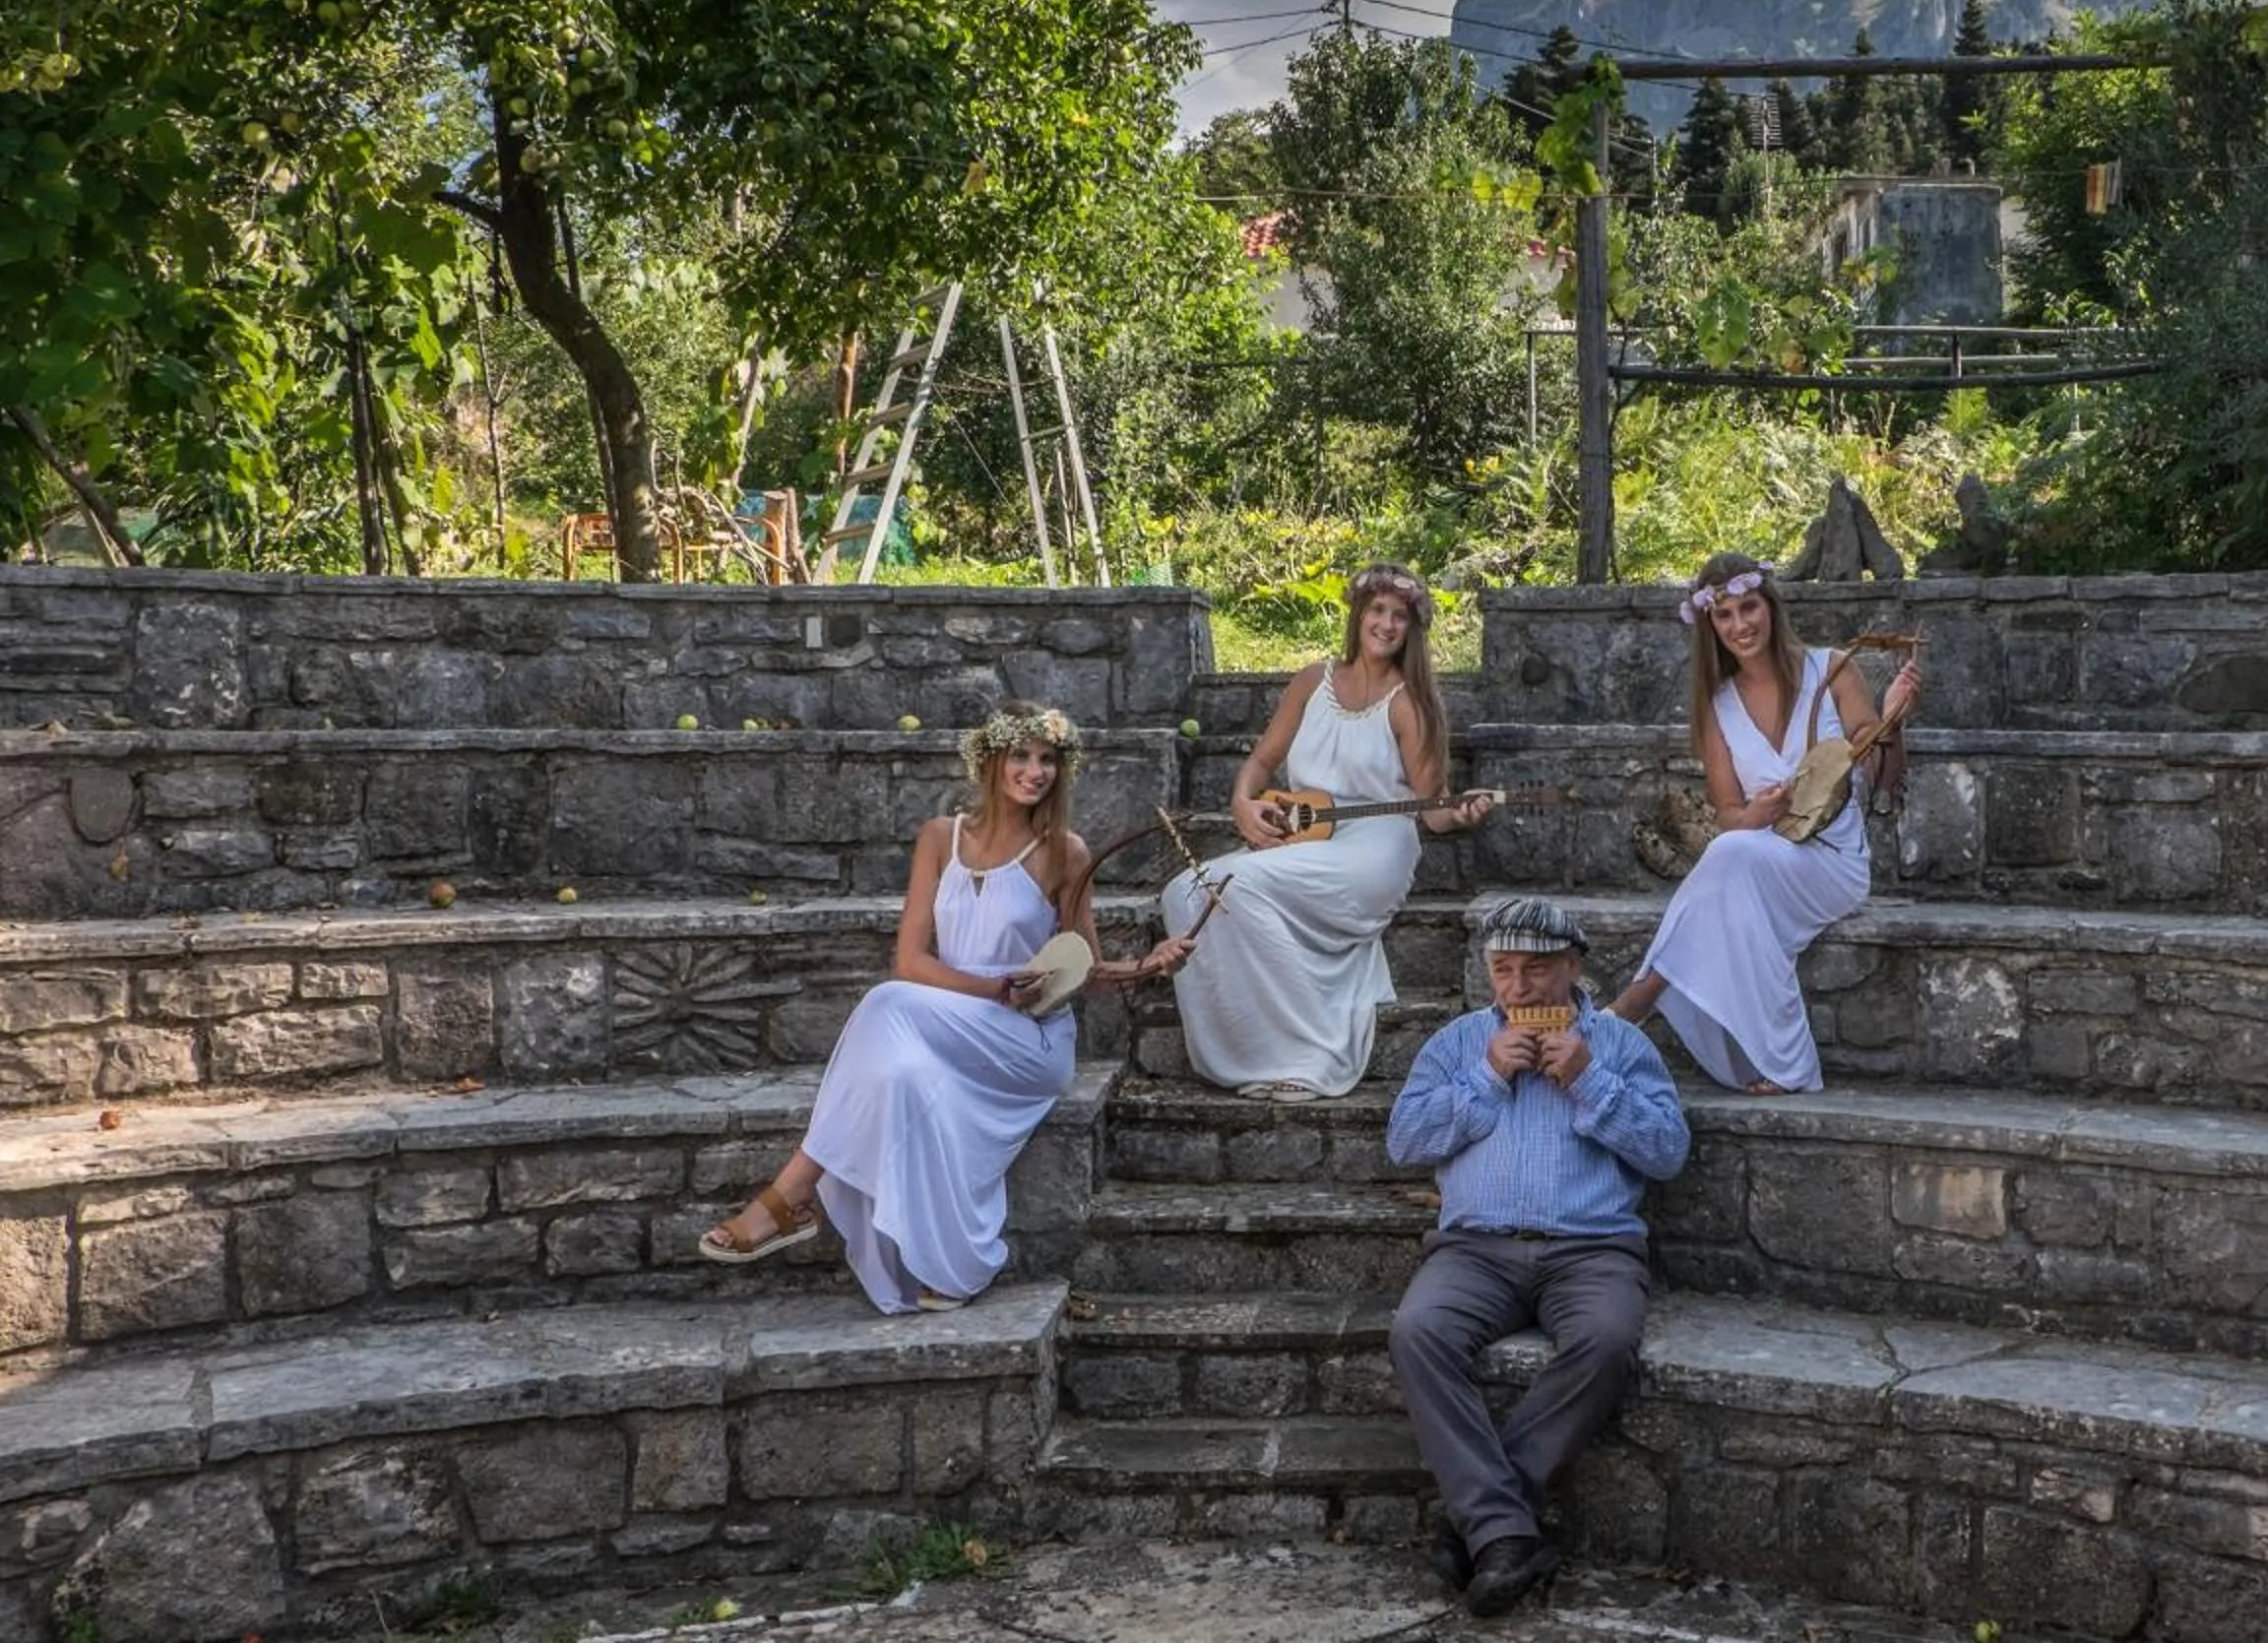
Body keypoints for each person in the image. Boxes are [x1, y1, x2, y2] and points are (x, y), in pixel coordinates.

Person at [698, 701, 1187, 1311]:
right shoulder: (939, 838)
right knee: (900, 1072)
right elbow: (911, 961)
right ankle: (952, 1269)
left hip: (1026, 1039)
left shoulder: (1065, 851)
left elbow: (1082, 969)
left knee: (886, 1004)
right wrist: (991, 988)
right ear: (990, 759)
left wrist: (1150, 963)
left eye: (1048, 761)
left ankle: (793, 1193)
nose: (1036, 772)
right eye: (1021, 756)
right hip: (952, 1013)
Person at [1386, 897, 1690, 1619]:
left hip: (1593, 1250)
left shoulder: (1621, 1045)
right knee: (1416, 1332)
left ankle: (1485, 1524)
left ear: (1574, 968)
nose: (1519, 990)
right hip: (1474, 1250)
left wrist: (1591, 1080)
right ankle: (1505, 1532)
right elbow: (1404, 1142)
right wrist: (1485, 1078)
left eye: (1536, 971)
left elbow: (1669, 1153)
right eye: (1504, 971)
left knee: (1607, 1340)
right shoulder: (1457, 1042)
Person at [1162, 563, 1490, 1103]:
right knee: (1185, 891)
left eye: (1399, 616)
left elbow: (1433, 811)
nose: (1385, 624)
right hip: (1309, 833)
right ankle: (1255, 1050)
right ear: (1359, 614)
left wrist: (1462, 813)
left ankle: (1310, 1051)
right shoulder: (1313, 681)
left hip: (1377, 846)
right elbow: (1263, 760)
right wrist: (1242, 803)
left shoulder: (1411, 704)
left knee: (1233, 889)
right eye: (1377, 611)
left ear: (1413, 629)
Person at [1607, 553, 1921, 1095]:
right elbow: (1730, 814)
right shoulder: (1716, 704)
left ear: (1770, 606)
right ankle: (1787, 1064)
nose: (1740, 625)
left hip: (1831, 862)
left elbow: (1887, 778)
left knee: (1729, 858)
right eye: (1723, 616)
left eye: (1748, 607)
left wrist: (1894, 718)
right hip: (1757, 854)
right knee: (1735, 857)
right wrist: (1761, 813)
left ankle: (1642, 994)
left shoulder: (1834, 670)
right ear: (1710, 626)